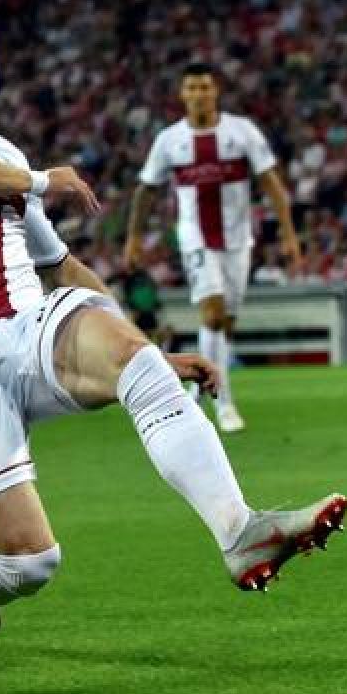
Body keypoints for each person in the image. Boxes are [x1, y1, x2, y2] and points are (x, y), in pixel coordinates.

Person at [0, 0, 346, 636]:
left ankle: (241, 531)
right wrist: (40, 181)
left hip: (26, 331)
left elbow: (60, 267)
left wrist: (148, 351)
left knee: (129, 357)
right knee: (31, 563)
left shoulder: (3, 154)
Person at [124, 63, 302, 433]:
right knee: (214, 314)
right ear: (183, 94)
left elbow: (271, 184)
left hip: (238, 240)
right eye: (192, 87)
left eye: (205, 86)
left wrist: (288, 233)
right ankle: (224, 406)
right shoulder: (170, 140)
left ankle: (195, 388)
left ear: (215, 91)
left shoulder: (241, 132)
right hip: (195, 235)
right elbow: (146, 190)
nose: (199, 93)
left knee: (227, 324)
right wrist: (134, 238)